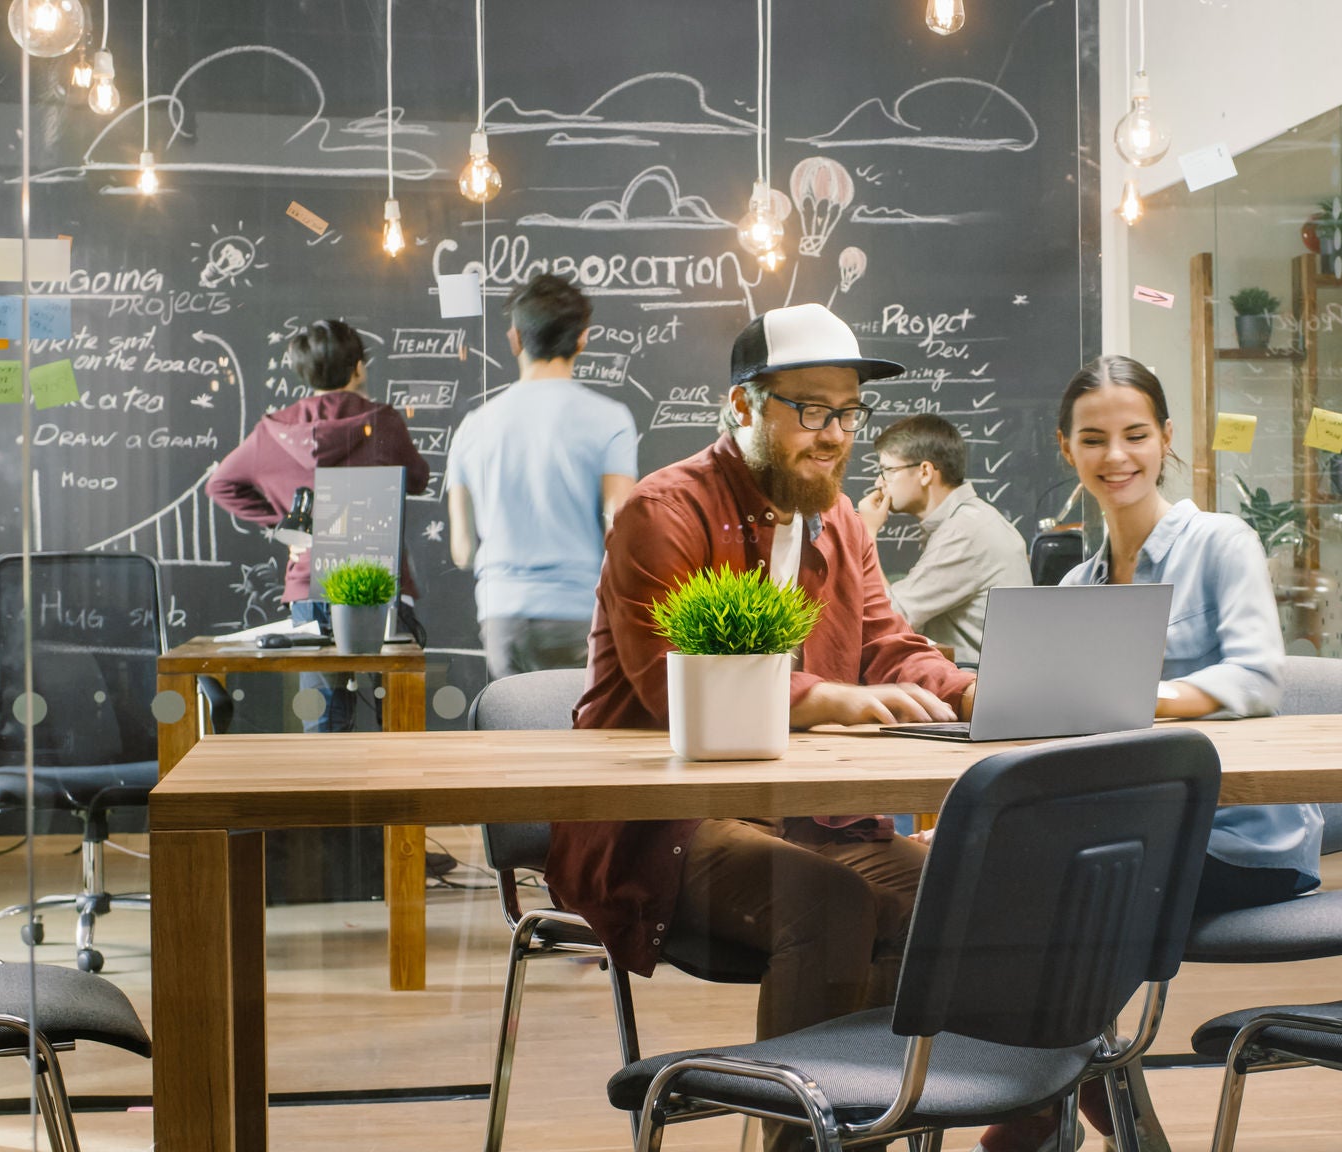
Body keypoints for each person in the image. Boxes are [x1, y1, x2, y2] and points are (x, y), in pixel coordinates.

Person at [545, 303, 975, 1149]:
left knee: (953, 894)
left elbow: (887, 643)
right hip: (664, 820)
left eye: (849, 412)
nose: (835, 434)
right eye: (811, 409)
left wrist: (966, 692)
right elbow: (674, 684)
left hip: (807, 814)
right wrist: (821, 697)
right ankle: (800, 1141)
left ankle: (862, 1132)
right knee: (831, 904)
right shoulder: (662, 512)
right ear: (742, 406)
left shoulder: (839, 519)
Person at [972, 355, 1303, 1152]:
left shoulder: (1221, 542)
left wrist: (1130, 696)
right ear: (1066, 450)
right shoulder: (1076, 586)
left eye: (1134, 436)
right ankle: (1096, 1110)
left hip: (1241, 838)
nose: (1115, 457)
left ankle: (1044, 1111)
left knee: (1068, 889)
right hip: (1123, 836)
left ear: (1166, 440)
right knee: (991, 875)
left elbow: (1259, 678)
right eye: (1094, 440)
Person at [207, 319, 429, 732]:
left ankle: (328, 796)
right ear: (358, 367)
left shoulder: (272, 431)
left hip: (311, 584)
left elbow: (221, 484)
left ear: (302, 372)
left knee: (325, 718)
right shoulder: (384, 421)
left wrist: (293, 527)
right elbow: (418, 479)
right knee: (397, 714)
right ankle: (395, 795)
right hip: (378, 582)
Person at [447, 275, 638, 679]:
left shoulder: (472, 427)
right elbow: (620, 526)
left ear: (515, 338)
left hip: (502, 613)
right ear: (582, 339)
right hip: (581, 613)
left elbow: (462, 550)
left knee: (514, 733)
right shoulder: (611, 419)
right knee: (585, 736)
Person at [856, 414, 1031, 662]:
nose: (879, 482)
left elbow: (892, 617)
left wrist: (867, 534)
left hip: (978, 686)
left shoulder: (968, 531)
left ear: (925, 472)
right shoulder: (968, 519)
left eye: (888, 470)